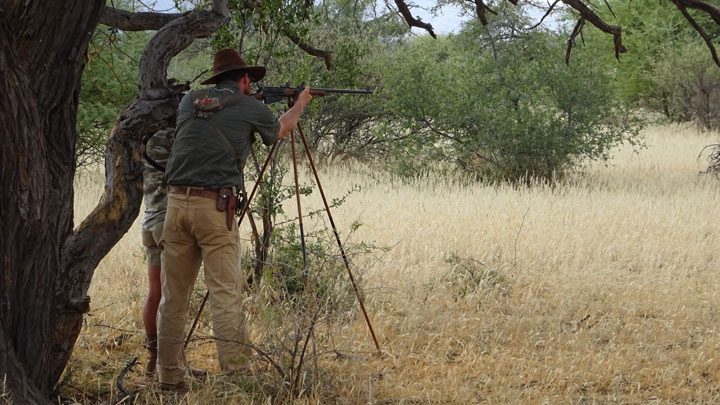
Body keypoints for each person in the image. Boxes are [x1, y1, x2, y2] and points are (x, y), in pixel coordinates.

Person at [156, 48, 312, 392]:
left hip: (175, 204)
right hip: (214, 208)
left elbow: (211, 120)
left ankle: (168, 376)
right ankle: (238, 380)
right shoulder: (250, 106)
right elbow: (279, 130)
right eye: (250, 82)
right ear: (244, 80)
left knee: (173, 298)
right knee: (225, 296)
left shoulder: (190, 101)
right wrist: (299, 103)